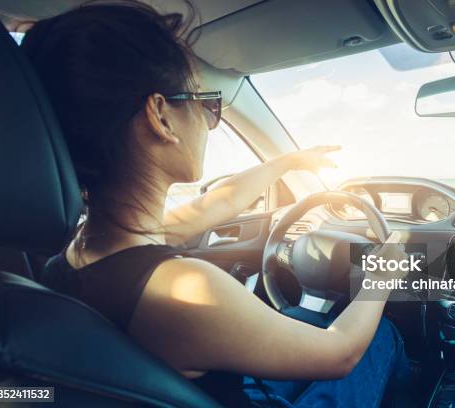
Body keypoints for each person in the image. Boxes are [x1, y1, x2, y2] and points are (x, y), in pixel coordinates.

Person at [22, 1, 410, 406]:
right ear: (160, 116)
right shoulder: (184, 288)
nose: (209, 122)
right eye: (203, 103)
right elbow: (341, 353)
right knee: (380, 336)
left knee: (296, 319)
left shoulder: (76, 253)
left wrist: (287, 162)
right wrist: (381, 279)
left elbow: (213, 206)